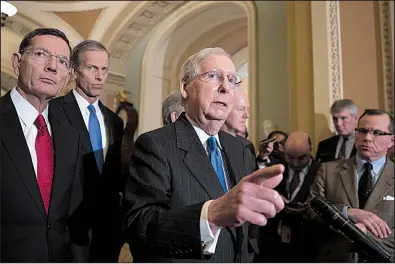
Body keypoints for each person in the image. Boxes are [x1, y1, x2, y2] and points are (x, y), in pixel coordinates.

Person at [124, 47, 285, 262]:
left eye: (232, 80)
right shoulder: (156, 144)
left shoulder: (240, 149)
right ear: (185, 86)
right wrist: (210, 215)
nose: (225, 87)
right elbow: (139, 226)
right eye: (213, 76)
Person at [0, 28, 85, 262]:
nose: (52, 66)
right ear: (17, 63)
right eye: (41, 54)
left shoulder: (71, 135)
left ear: (67, 75)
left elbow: (74, 218)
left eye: (62, 61)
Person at [50, 40, 124, 262]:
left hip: (106, 233)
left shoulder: (115, 121)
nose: (99, 76)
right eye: (92, 68)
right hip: (66, 230)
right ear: (74, 71)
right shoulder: (53, 112)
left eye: (104, 69)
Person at [306, 109, 394, 262]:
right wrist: (347, 213)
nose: (367, 138)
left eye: (377, 133)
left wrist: (363, 235)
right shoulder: (328, 170)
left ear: (391, 141)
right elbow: (309, 213)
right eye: (362, 131)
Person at [255, 132, 321, 262]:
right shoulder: (276, 167)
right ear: (284, 149)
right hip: (274, 243)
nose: (295, 163)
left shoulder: (321, 171)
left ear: (311, 149)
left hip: (307, 245)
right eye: (290, 157)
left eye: (302, 158)